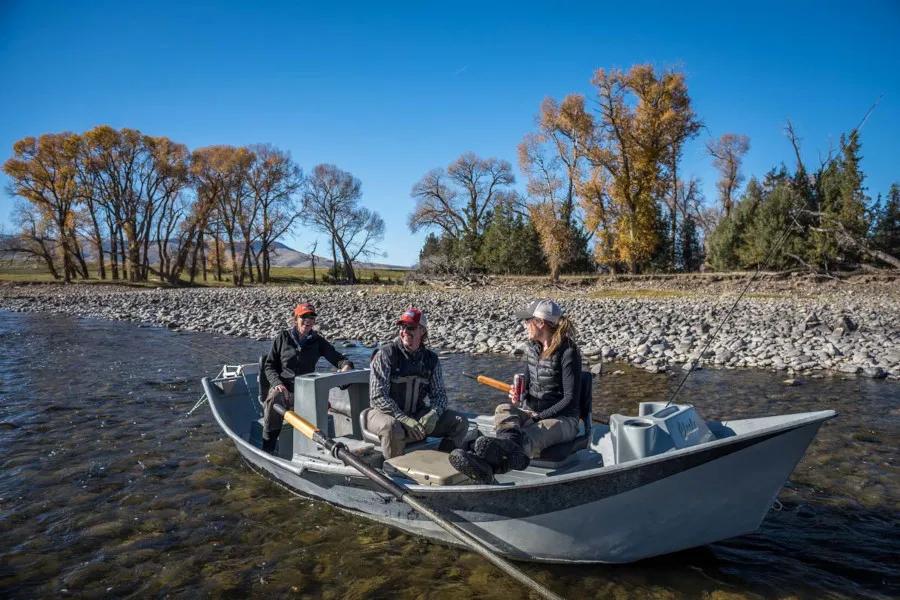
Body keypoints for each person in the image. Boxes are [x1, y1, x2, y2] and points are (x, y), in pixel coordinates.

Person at [450, 299, 582, 483]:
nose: (525, 325)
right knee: (503, 409)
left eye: (528, 321)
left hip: (564, 419)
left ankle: (487, 463)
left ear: (541, 323)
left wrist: (537, 417)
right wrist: (519, 395)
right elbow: (526, 386)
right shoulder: (532, 349)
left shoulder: (569, 352)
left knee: (533, 433)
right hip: (534, 411)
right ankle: (500, 453)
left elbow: (570, 399)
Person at [367, 307, 470, 458]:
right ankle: (395, 472)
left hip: (416, 413)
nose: (405, 331)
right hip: (381, 414)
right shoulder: (386, 354)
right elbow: (377, 396)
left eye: (411, 327)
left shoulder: (431, 360)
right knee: (392, 427)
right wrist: (402, 418)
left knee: (459, 422)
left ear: (422, 331)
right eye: (402, 327)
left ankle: (444, 461)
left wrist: (434, 414)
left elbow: (440, 396)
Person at [261, 302, 355, 453]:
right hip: (284, 389)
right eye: (304, 316)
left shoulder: (318, 341)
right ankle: (268, 446)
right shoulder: (283, 338)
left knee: (322, 404)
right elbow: (269, 366)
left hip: (307, 391)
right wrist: (277, 383)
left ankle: (315, 450)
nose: (308, 320)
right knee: (274, 398)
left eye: (312, 317)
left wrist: (346, 366)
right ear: (295, 319)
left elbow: (339, 359)